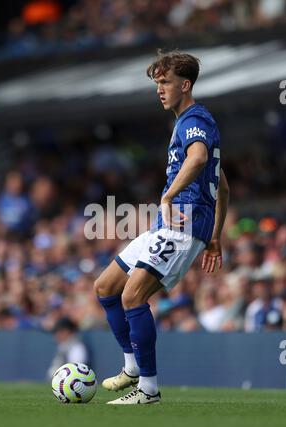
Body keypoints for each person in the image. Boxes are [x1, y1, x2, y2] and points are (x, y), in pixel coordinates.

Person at [94, 50, 229, 405]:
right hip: (169, 226)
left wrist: (168, 197)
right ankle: (132, 367)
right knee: (106, 286)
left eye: (165, 82)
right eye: (157, 83)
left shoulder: (194, 120)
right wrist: (215, 237)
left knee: (132, 296)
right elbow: (223, 186)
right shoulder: (187, 121)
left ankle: (149, 390)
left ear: (185, 85)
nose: (159, 89)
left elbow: (199, 159)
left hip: (181, 225)